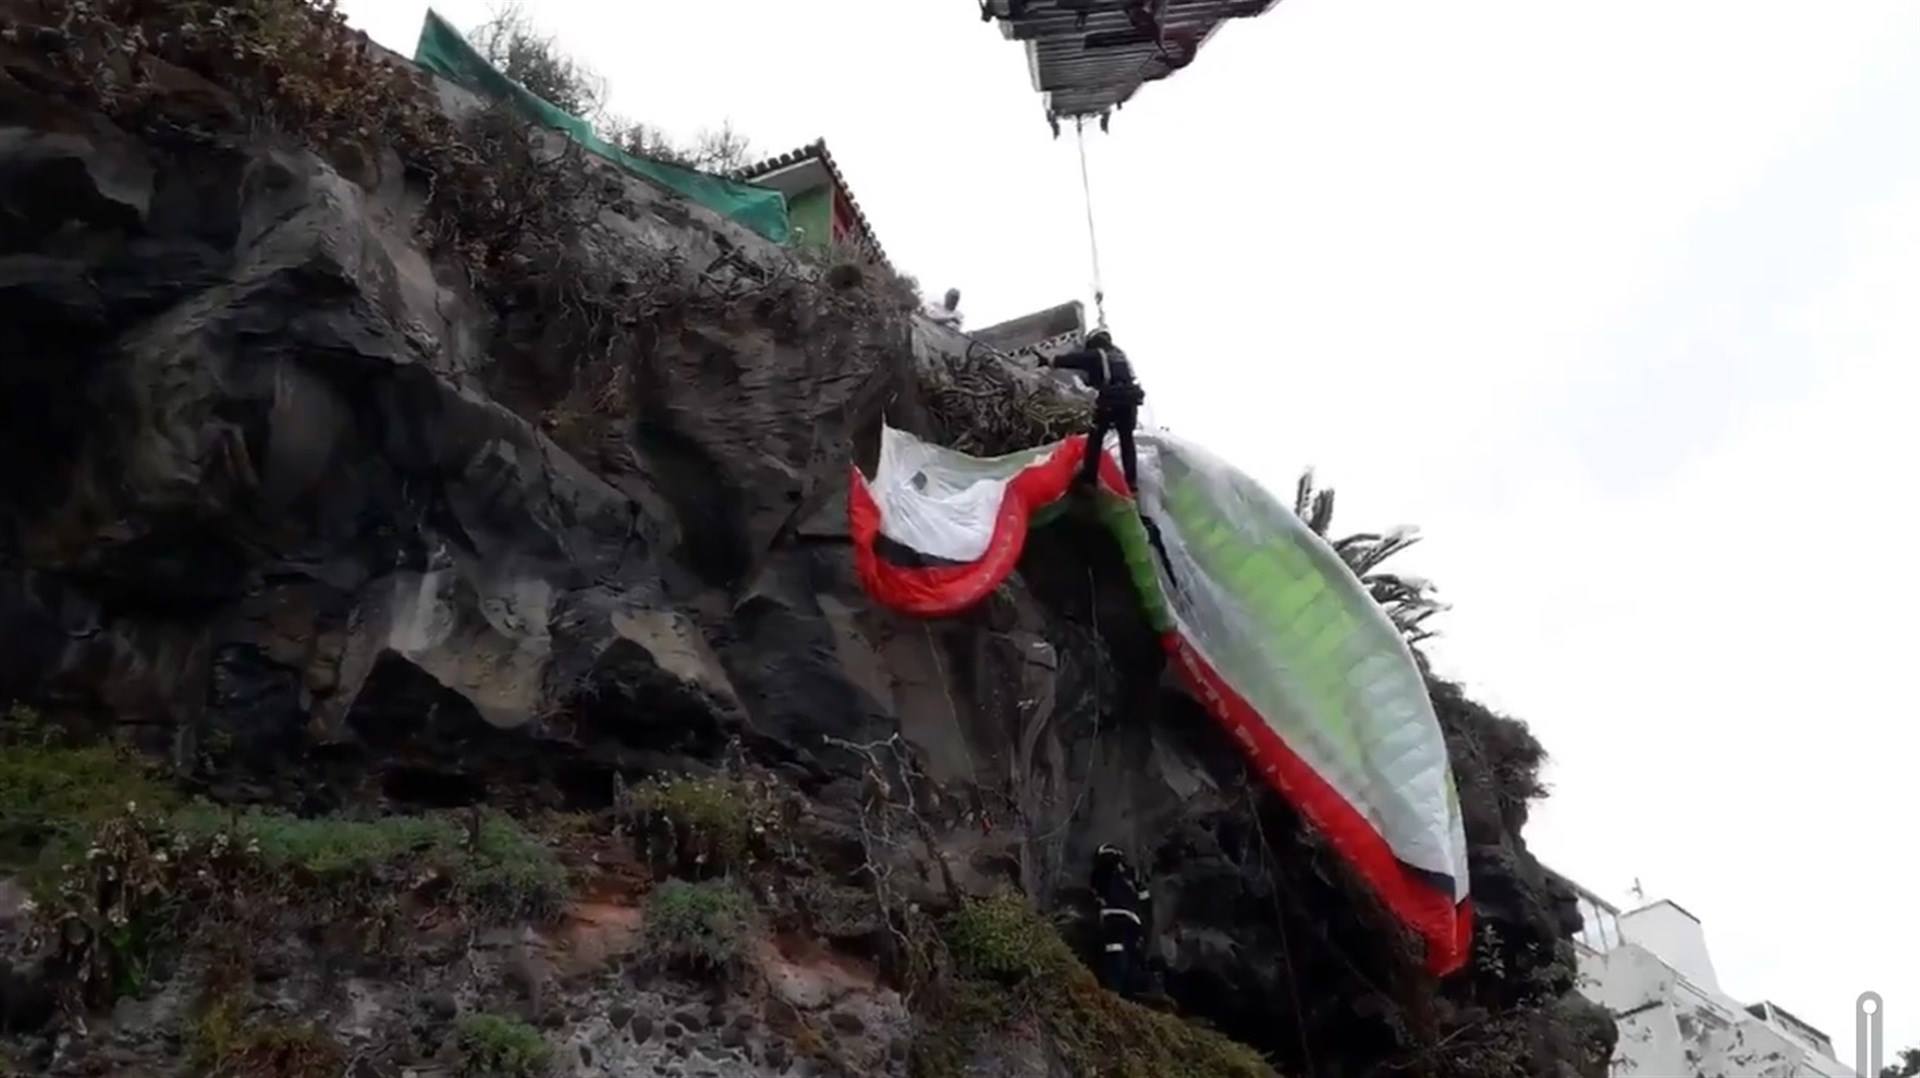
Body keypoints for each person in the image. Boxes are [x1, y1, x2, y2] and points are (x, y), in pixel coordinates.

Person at [1045, 330, 1144, 493]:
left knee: (1095, 437)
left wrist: (1051, 360)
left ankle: (1089, 479)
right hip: (1129, 400)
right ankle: (1131, 482)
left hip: (1110, 401)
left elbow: (1075, 360)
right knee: (1127, 441)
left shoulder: (1097, 354)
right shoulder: (1120, 355)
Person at [1090, 843, 1153, 999]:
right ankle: (1126, 995)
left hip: (1115, 918)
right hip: (1132, 921)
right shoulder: (1131, 875)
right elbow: (1146, 902)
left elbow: (1096, 894)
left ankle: (1115, 993)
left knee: (1117, 954)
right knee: (1130, 955)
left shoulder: (1102, 872)